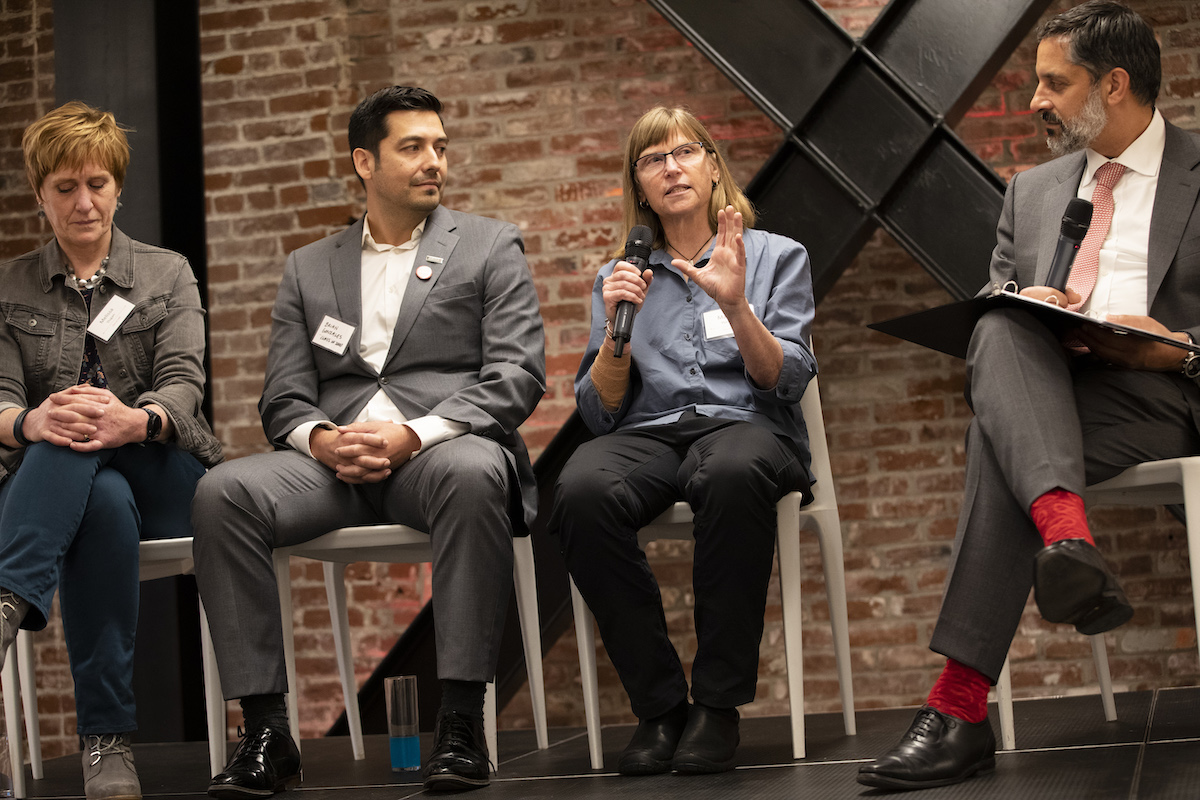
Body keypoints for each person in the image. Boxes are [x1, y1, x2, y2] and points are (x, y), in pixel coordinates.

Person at [858, 1, 1200, 790]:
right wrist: (1037, 305)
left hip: (1167, 396)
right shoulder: (1032, 190)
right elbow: (999, 306)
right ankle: (1067, 542)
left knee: (995, 438)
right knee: (1001, 327)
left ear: (1113, 84)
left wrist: (1173, 348)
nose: (1034, 102)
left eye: (1054, 83)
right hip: (1058, 390)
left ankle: (958, 708)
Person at [192, 86, 545, 796]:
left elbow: (517, 375)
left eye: (440, 146)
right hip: (332, 467)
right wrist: (321, 441)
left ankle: (461, 725)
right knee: (222, 491)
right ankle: (266, 732)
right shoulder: (308, 266)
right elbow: (283, 397)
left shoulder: (488, 243)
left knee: (479, 472)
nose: (433, 161)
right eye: (412, 147)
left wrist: (412, 434)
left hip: (438, 455)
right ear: (365, 161)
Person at [549, 106, 817, 775]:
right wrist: (617, 326)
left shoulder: (776, 257)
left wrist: (735, 303)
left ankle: (717, 706)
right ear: (640, 186)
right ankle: (661, 706)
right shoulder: (621, 277)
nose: (671, 167)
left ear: (712, 166)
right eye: (652, 158)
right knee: (580, 488)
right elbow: (602, 411)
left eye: (686, 151)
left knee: (730, 472)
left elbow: (782, 378)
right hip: (651, 434)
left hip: (748, 428)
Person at [0, 102, 222, 800]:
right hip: (69, 489)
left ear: (118, 188)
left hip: (163, 472)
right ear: (41, 195)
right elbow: (0, 398)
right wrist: (32, 421)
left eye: (96, 183)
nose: (83, 201)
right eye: (65, 188)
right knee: (93, 485)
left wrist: (136, 420)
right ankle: (107, 741)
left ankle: (7, 600)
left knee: (90, 439)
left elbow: (184, 386)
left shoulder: (167, 273)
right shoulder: (10, 287)